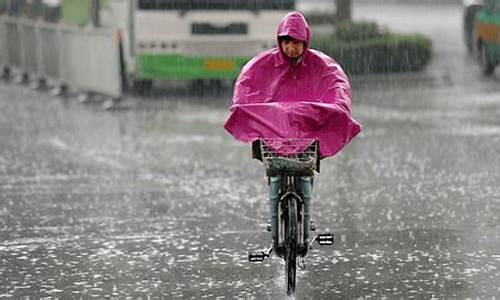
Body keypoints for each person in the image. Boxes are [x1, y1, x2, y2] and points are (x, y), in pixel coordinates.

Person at [224, 12, 361, 247]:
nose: (291, 48)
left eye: (296, 43)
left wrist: (336, 107)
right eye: (287, 42)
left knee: (307, 169)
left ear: (305, 42)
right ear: (280, 42)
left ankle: (305, 216)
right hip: (272, 136)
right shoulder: (262, 65)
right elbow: (246, 86)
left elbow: (337, 85)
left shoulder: (323, 66)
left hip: (305, 138)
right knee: (274, 172)